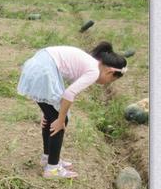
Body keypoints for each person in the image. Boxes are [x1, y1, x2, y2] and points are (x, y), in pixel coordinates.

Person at [17, 42, 127, 179]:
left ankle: (48, 158)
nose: (107, 83)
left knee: (52, 118)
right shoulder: (94, 71)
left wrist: (52, 113)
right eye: (110, 80)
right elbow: (69, 94)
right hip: (44, 69)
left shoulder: (91, 63)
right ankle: (52, 169)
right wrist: (61, 118)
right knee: (60, 121)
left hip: (39, 64)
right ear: (109, 71)